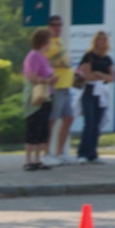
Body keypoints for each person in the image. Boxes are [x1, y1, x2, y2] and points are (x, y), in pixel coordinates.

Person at [76, 30, 114, 165]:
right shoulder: (89, 56)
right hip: (90, 91)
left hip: (102, 91)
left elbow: (111, 77)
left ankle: (93, 153)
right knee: (89, 122)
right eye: (100, 40)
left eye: (104, 40)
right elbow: (86, 76)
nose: (102, 42)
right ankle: (82, 153)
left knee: (97, 124)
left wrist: (99, 74)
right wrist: (99, 76)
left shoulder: (107, 59)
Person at [22, 27, 57, 171]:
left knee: (42, 129)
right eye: (49, 41)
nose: (50, 44)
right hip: (36, 97)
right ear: (43, 42)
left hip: (46, 97)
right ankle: (29, 160)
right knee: (33, 127)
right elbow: (31, 76)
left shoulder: (43, 57)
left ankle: (37, 159)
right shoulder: (34, 56)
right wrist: (47, 81)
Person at [43, 15, 75, 165]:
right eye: (54, 25)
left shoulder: (60, 41)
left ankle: (59, 152)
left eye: (59, 24)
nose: (57, 27)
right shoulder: (46, 42)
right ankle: (46, 153)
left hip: (66, 85)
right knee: (51, 121)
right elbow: (43, 61)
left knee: (68, 118)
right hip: (54, 87)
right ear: (49, 26)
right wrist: (59, 62)